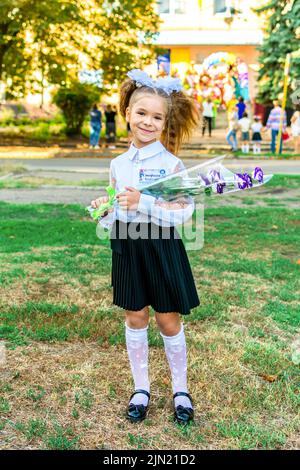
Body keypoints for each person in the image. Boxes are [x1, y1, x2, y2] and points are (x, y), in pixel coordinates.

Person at [90, 69, 200, 425]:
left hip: (162, 248)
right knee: (135, 316)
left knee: (168, 320)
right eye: (141, 113)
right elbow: (114, 204)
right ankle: (141, 388)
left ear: (166, 122)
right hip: (128, 248)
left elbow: (184, 210)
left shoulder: (171, 164)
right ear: (127, 114)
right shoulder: (117, 163)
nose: (148, 122)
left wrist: (144, 203)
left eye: (157, 117)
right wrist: (104, 211)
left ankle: (180, 390)